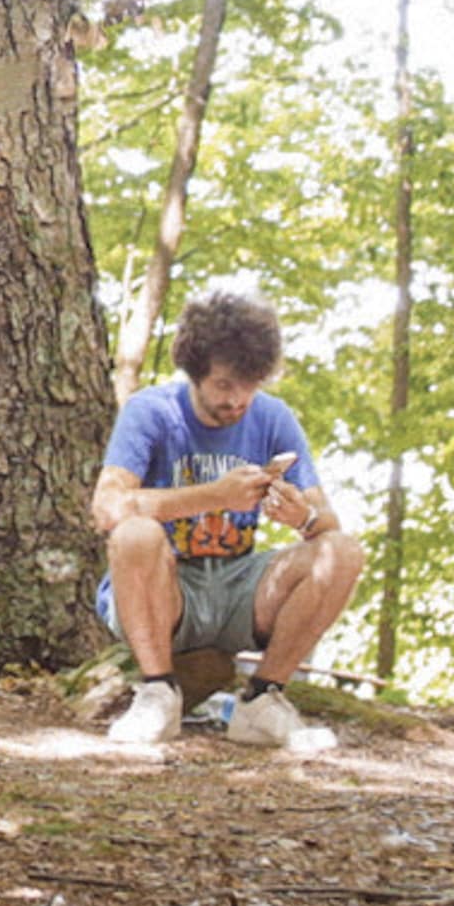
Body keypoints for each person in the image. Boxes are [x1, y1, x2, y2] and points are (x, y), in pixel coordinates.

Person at [97, 290, 362, 753]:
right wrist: (212, 496)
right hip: (164, 587)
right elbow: (106, 508)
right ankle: (158, 694)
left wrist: (304, 516)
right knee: (134, 533)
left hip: (240, 590)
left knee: (343, 551)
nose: (237, 399)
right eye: (223, 384)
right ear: (196, 372)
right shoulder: (151, 411)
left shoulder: (273, 417)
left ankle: (262, 701)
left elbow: (330, 526)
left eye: (250, 383)